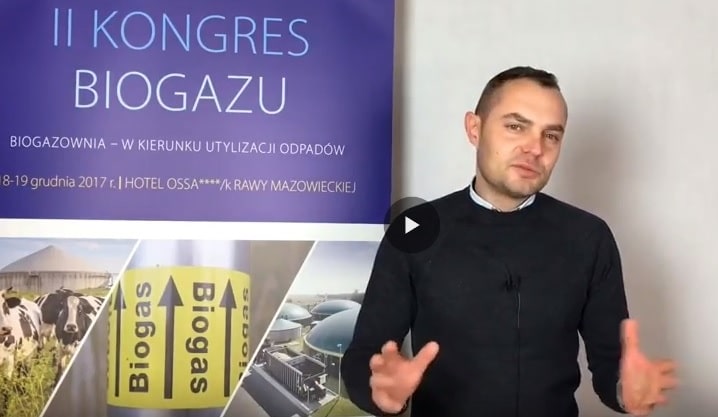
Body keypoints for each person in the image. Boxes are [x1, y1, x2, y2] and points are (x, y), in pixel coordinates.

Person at [340, 66, 678, 417]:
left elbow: (612, 367)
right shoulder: (415, 230)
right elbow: (365, 355)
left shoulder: (589, 237)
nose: (535, 148)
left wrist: (626, 391)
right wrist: (380, 392)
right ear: (475, 128)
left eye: (551, 135)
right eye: (516, 126)